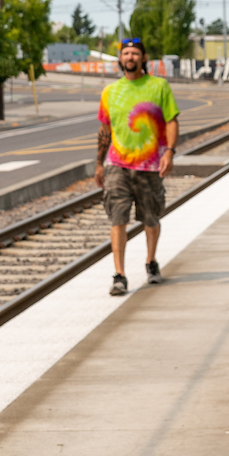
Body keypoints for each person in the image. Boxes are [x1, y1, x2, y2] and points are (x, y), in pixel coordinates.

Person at [96, 35, 178, 295]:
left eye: (134, 53)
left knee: (151, 217)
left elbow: (171, 120)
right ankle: (119, 275)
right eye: (125, 53)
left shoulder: (159, 86)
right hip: (117, 165)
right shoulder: (110, 91)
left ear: (143, 58)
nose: (129, 57)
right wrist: (99, 164)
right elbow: (105, 130)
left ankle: (150, 262)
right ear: (120, 59)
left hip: (149, 165)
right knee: (117, 218)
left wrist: (170, 152)